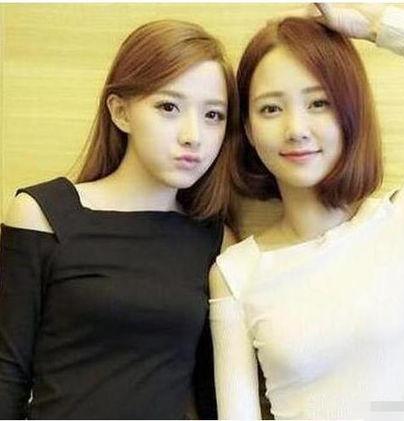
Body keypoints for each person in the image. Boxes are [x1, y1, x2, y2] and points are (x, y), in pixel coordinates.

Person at [209, 3, 404, 420]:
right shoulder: (236, 272)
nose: (296, 129)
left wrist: (376, 25)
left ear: (350, 112)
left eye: (319, 103)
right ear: (250, 131)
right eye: (271, 108)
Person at [0, 18, 239, 419]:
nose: (193, 136)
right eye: (169, 107)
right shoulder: (42, 213)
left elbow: (213, 396)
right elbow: (7, 371)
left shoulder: (215, 241)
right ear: (121, 111)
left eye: (213, 115)